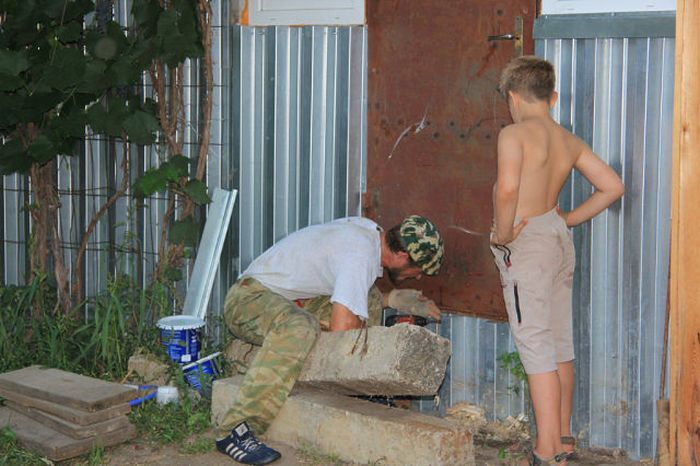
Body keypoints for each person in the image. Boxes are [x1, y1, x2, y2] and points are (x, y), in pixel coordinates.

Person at [216, 215, 444, 465]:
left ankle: (353, 390)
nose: (419, 276)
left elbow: (341, 276)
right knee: (300, 328)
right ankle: (236, 430)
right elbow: (342, 329)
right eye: (418, 269)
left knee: (369, 299)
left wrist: (391, 299)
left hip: (287, 299)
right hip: (248, 300)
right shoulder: (360, 255)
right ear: (402, 257)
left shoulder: (369, 232)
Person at [490, 56, 624, 465]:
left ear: (512, 97)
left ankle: (546, 452)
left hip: (526, 244)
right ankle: (563, 438)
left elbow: (508, 190)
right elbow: (612, 186)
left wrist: (504, 232)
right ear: (553, 96)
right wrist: (567, 218)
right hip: (556, 237)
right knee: (559, 345)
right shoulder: (568, 140)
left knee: (535, 348)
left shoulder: (513, 134)